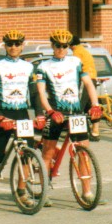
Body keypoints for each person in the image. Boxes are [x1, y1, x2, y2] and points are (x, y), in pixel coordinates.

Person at [35, 29, 101, 206]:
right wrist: (50, 111)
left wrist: (95, 104)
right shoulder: (44, 66)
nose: (61, 49)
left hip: (75, 112)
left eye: (65, 46)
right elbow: (41, 92)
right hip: (56, 112)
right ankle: (44, 191)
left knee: (83, 152)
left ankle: (87, 191)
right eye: (58, 46)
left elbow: (88, 84)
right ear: (52, 46)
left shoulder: (76, 62)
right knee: (48, 152)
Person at [0, 30, 38, 211]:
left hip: (21, 112)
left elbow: (34, 93)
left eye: (17, 44)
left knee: (27, 153)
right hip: (3, 112)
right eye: (10, 44)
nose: (13, 47)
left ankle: (22, 191)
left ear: (22, 46)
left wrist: (40, 114)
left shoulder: (29, 67)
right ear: (5, 46)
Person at [70, 35, 100, 140]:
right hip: (92, 79)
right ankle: (95, 131)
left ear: (71, 45)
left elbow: (76, 68)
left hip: (84, 80)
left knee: (79, 107)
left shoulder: (76, 53)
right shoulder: (84, 51)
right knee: (90, 106)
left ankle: (77, 133)